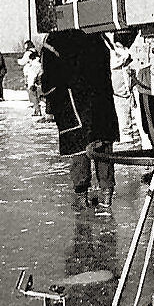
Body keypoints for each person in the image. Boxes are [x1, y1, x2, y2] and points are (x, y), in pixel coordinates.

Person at [40, 29, 119, 212]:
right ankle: (106, 193)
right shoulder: (97, 33)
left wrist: (52, 104)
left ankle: (81, 196)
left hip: (73, 102)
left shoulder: (54, 40)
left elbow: (50, 79)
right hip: (101, 100)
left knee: (80, 148)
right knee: (103, 144)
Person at [105, 31, 141, 149]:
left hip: (119, 66)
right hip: (118, 68)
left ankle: (129, 135)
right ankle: (129, 136)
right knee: (124, 100)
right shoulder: (109, 39)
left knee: (125, 100)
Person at [18, 41, 43, 116]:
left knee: (31, 89)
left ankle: (37, 108)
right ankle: (38, 105)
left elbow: (23, 61)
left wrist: (18, 61)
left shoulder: (28, 53)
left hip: (32, 71)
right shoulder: (36, 52)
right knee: (37, 88)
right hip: (39, 70)